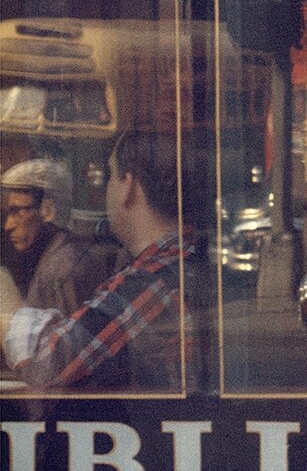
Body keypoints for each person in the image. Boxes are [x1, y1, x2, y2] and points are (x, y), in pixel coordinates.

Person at [0, 130, 206, 389]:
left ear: (128, 186)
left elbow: (50, 361)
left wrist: (5, 300)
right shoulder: (179, 261)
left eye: (109, 177)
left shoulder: (158, 276)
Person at [2, 159, 112, 317]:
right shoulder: (57, 257)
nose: (8, 225)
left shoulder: (59, 274)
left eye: (18, 211)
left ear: (48, 210)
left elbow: (67, 341)